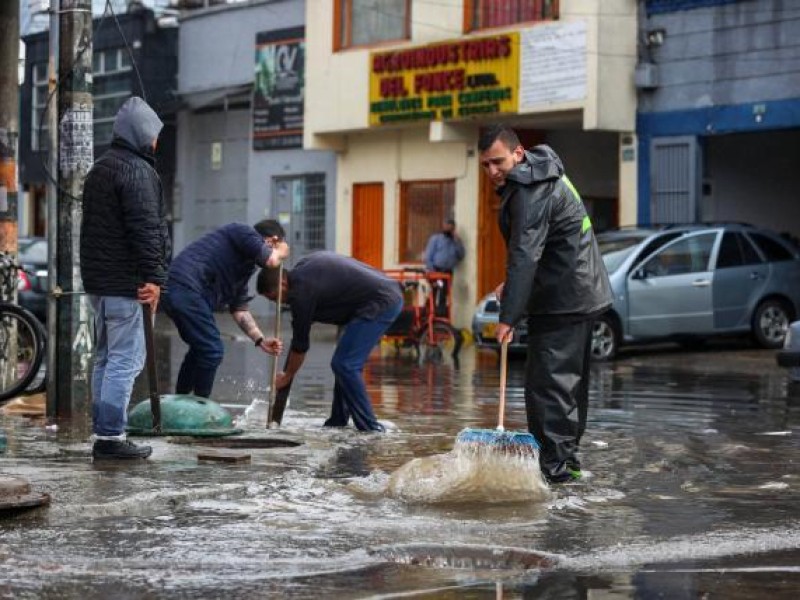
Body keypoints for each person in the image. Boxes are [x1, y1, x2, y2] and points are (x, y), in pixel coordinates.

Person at [478, 125, 612, 484]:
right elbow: (543, 246)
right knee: (565, 385)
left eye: (498, 162)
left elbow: (524, 252)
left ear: (518, 154)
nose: (492, 172)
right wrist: (514, 287)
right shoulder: (543, 173)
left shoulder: (530, 190)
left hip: (564, 298)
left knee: (548, 386)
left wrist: (508, 318)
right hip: (574, 292)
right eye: (485, 166)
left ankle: (555, 473)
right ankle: (566, 463)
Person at [81, 96, 171, 460]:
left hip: (100, 283)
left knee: (105, 357)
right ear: (143, 134)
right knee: (124, 360)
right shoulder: (137, 171)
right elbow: (147, 230)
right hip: (127, 282)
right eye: (154, 135)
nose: (156, 142)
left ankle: (103, 431)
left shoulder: (100, 168)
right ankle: (111, 437)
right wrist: (155, 278)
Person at [256, 251, 403, 432]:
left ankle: (371, 429)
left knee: (345, 365)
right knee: (342, 363)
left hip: (382, 301)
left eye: (274, 297)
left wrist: (286, 376)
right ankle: (338, 421)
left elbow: (300, 346)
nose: (278, 303)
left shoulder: (301, 293)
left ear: (282, 283)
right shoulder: (301, 274)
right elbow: (298, 339)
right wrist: (287, 373)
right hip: (377, 298)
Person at [161, 220, 289, 399]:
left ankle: (180, 400)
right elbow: (271, 260)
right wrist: (282, 249)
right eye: (274, 246)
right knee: (212, 350)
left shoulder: (245, 267)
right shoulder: (241, 231)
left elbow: (240, 311)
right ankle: (200, 406)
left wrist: (260, 339)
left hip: (185, 294)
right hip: (185, 286)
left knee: (200, 349)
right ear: (271, 240)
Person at [424, 218, 465, 316]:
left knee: (444, 294)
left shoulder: (455, 241)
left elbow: (461, 255)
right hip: (436, 271)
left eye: (451, 227)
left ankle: (440, 315)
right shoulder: (436, 239)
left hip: (448, 272)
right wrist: (432, 270)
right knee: (434, 292)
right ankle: (430, 314)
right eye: (447, 226)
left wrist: (457, 241)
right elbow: (428, 256)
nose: (448, 228)